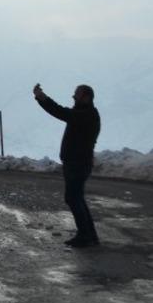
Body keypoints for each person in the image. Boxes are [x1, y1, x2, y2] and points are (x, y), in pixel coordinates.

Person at [33, 83, 102, 248]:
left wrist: (42, 98)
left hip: (78, 164)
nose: (73, 97)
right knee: (77, 198)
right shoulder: (84, 113)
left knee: (73, 198)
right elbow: (64, 112)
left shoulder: (86, 115)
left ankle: (86, 235)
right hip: (76, 163)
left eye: (76, 94)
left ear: (86, 97)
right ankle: (89, 234)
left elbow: (60, 112)